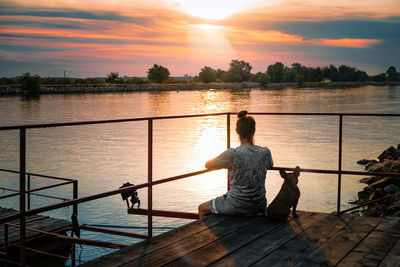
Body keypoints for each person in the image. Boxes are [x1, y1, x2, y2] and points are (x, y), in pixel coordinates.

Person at [198, 110, 274, 219]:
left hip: (236, 205)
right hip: (259, 205)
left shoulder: (232, 154)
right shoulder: (265, 152)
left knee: (202, 208)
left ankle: (206, 235)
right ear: (254, 130)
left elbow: (208, 165)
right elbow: (270, 165)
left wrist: (225, 160)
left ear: (237, 131)